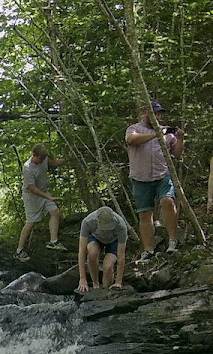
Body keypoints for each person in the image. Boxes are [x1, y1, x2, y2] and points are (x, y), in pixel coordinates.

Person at [125, 101, 184, 258]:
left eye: (159, 114)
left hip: (161, 175)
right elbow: (131, 140)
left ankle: (172, 241)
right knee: (145, 214)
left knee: (167, 201)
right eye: (154, 113)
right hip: (140, 178)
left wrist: (180, 139)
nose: (157, 117)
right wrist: (156, 134)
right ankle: (148, 249)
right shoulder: (134, 128)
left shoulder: (167, 133)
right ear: (146, 113)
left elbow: (177, 154)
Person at [16, 143, 66, 261]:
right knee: (31, 222)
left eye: (44, 158)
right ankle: (19, 250)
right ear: (34, 155)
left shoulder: (44, 159)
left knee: (54, 212)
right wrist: (48, 197)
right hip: (31, 195)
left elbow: (53, 164)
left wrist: (67, 158)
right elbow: (31, 188)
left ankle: (53, 242)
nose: (42, 160)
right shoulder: (27, 167)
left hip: (43, 192)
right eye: (40, 158)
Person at [76, 206, 128, 293]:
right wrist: (82, 279)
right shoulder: (88, 222)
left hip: (113, 241)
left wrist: (118, 282)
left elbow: (121, 256)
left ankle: (106, 289)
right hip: (95, 238)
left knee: (108, 266)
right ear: (97, 221)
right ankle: (95, 284)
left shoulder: (121, 225)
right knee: (92, 253)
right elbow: (82, 251)